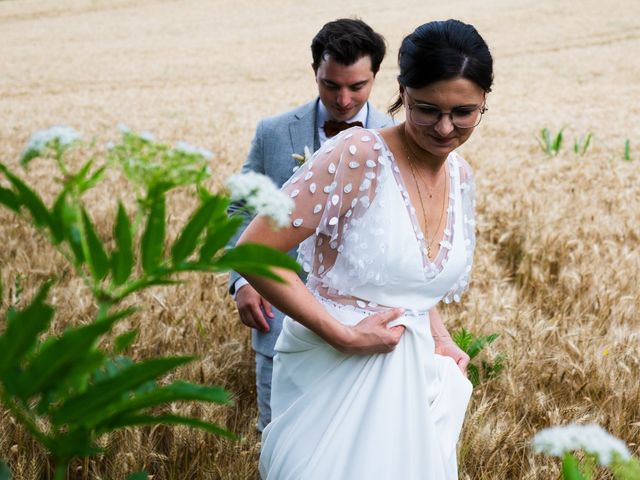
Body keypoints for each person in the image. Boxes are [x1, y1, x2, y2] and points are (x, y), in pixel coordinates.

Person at [238, 18, 493, 479]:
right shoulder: (357, 155)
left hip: (414, 385)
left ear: (483, 104)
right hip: (332, 377)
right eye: (427, 109)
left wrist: (439, 338)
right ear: (401, 92)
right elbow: (252, 250)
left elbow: (409, 277)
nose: (444, 128)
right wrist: (343, 334)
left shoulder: (461, 176)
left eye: (464, 112)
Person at [227, 18, 394, 433]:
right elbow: (241, 210)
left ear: (376, 76)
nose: (342, 99)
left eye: (357, 86)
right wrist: (242, 281)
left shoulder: (399, 139)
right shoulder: (273, 132)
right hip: (280, 318)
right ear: (315, 72)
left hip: (367, 325)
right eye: (330, 84)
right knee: (279, 441)